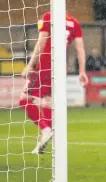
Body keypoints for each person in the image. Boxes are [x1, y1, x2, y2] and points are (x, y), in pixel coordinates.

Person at [19, 12, 88, 154]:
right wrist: (82, 71)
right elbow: (80, 48)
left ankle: (45, 129)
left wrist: (31, 65)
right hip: (61, 68)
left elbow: (42, 40)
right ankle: (41, 143)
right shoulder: (74, 22)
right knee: (48, 102)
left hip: (45, 64)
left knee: (24, 100)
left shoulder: (49, 16)